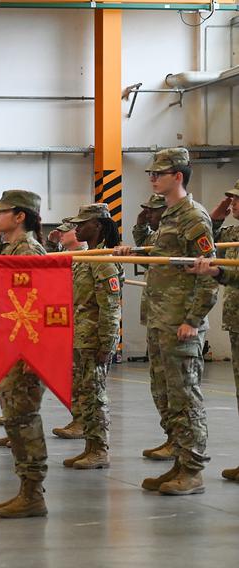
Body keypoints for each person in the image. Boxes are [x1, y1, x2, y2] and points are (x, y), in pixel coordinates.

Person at [116, 148, 217, 496]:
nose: (153, 178)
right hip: (160, 319)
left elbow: (209, 273)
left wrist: (193, 319)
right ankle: (177, 460)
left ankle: (192, 470)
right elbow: (163, 259)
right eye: (151, 173)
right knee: (165, 394)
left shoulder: (193, 216)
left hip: (180, 323)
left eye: (160, 173)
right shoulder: (169, 216)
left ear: (179, 176)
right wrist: (136, 251)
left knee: (185, 396)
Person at [0, 189, 49, 518]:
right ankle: (26, 488)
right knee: (14, 419)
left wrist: (31, 354)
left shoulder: (30, 251)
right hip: (11, 344)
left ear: (20, 216)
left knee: (24, 420)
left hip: (25, 349)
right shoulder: (11, 247)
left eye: (2, 211)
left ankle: (33, 492)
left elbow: (39, 304)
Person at [186, 178, 239, 483]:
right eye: (231, 198)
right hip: (235, 322)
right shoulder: (233, 232)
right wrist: (218, 213)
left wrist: (218, 272)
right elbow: (211, 239)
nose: (232, 203)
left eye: (237, 200)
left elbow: (229, 272)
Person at [62, 203, 121, 470]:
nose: (76, 228)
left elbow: (110, 305)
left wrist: (109, 343)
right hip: (80, 337)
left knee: (95, 395)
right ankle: (89, 445)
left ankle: (100, 449)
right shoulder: (87, 257)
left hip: (94, 340)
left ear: (97, 225)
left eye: (82, 224)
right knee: (85, 395)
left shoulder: (103, 260)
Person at [49, 218, 89, 441]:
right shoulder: (68, 256)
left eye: (66, 232)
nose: (61, 235)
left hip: (83, 326)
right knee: (72, 377)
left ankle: (83, 422)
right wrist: (53, 244)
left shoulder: (88, 256)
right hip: (67, 324)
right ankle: (78, 418)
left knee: (84, 379)